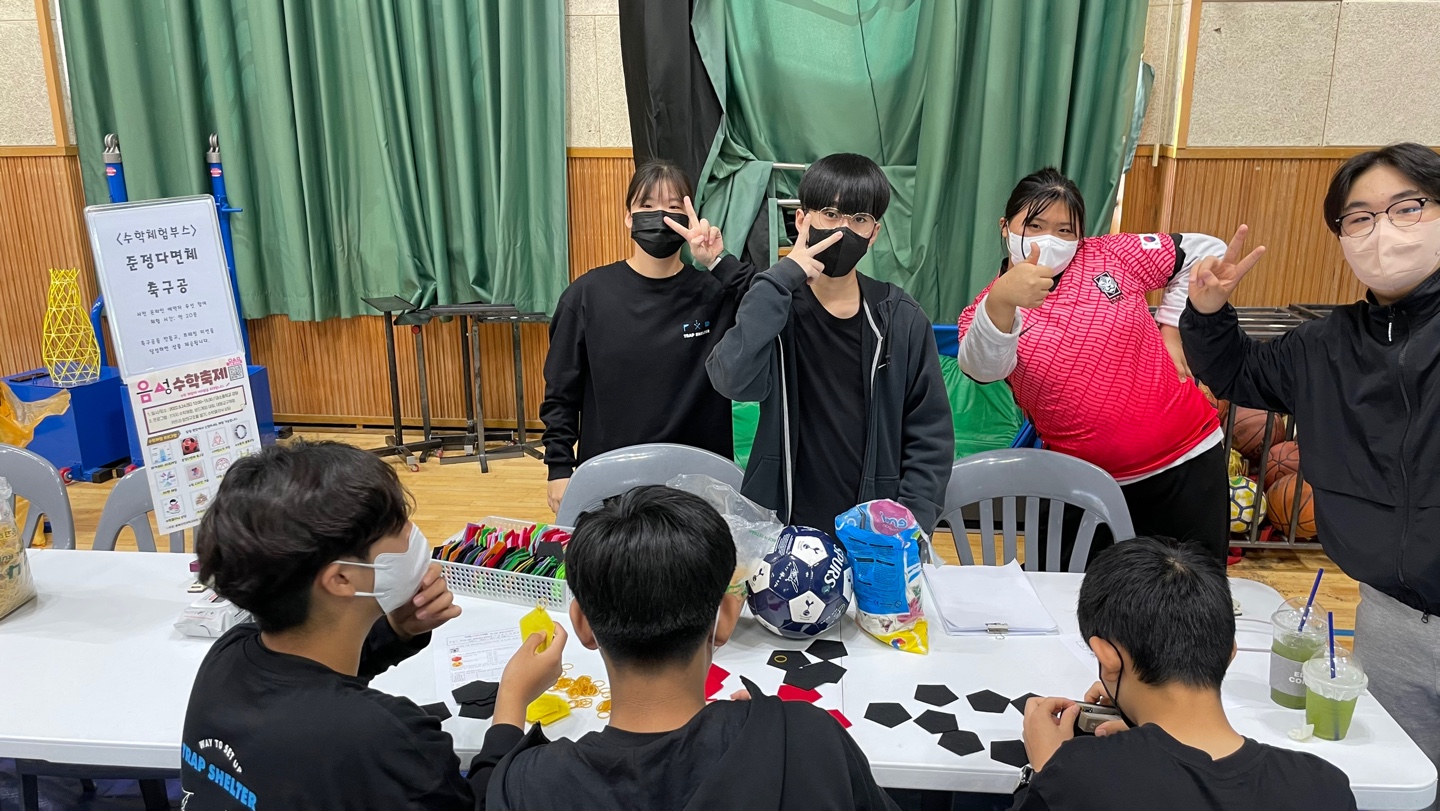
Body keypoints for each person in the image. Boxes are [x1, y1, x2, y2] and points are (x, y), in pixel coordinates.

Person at [1181, 141, 1440, 793]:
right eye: (1359, 217)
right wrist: (1208, 310)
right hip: (1389, 612)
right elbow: (1237, 369)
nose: (1382, 230)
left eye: (1407, 207)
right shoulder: (1326, 346)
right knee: (1399, 782)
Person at [470, 485, 899, 810]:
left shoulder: (530, 784)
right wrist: (777, 727)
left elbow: (487, 793)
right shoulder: (808, 738)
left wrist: (510, 702)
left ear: (582, 624)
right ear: (726, 618)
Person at [180, 441, 486, 810]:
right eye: (397, 526)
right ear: (341, 580)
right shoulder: (383, 736)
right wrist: (507, 722)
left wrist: (397, 632)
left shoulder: (228, 654)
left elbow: (308, 683)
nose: (413, 534)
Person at [956, 168, 1231, 561]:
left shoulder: (1112, 254)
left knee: (1190, 603)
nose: (1050, 239)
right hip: (1083, 487)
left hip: (1186, 462)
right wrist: (1002, 299)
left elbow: (1206, 250)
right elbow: (984, 367)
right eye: (1034, 225)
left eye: (1065, 230)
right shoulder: (987, 308)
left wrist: (1172, 326)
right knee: (1081, 608)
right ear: (1005, 227)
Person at [706, 153, 954, 532]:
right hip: (780, 523)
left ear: (874, 233)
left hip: (872, 532)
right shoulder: (776, 307)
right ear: (802, 220)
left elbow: (930, 433)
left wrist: (908, 522)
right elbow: (731, 378)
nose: (843, 229)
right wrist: (782, 276)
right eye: (830, 214)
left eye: (859, 219)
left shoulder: (900, 318)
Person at [1015, 537, 1356, 811]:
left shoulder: (1075, 783)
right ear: (1229, 651)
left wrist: (1047, 772)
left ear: (1108, 658)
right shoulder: (1326, 787)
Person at [541, 159, 752, 513]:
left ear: (689, 219)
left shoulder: (715, 294)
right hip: (611, 483)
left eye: (673, 208)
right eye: (647, 206)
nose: (661, 217)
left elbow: (775, 306)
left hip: (698, 482)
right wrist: (559, 467)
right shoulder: (587, 295)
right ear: (629, 217)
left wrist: (718, 261)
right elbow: (561, 391)